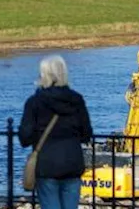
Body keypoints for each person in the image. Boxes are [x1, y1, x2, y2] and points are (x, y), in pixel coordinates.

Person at [19, 55, 93, 209]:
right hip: (72, 162)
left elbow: (24, 138)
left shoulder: (35, 102)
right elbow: (86, 133)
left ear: (43, 75)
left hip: (47, 164)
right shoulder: (76, 100)